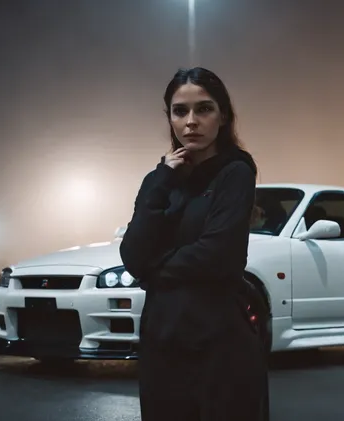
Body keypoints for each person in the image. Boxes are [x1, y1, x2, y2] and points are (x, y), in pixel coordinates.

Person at [119, 67, 269, 421]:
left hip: (218, 338)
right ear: (169, 117)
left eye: (204, 109)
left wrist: (152, 269)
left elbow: (216, 255)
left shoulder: (235, 173)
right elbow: (131, 254)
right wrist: (162, 179)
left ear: (223, 116)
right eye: (180, 111)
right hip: (162, 338)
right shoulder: (160, 180)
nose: (191, 121)